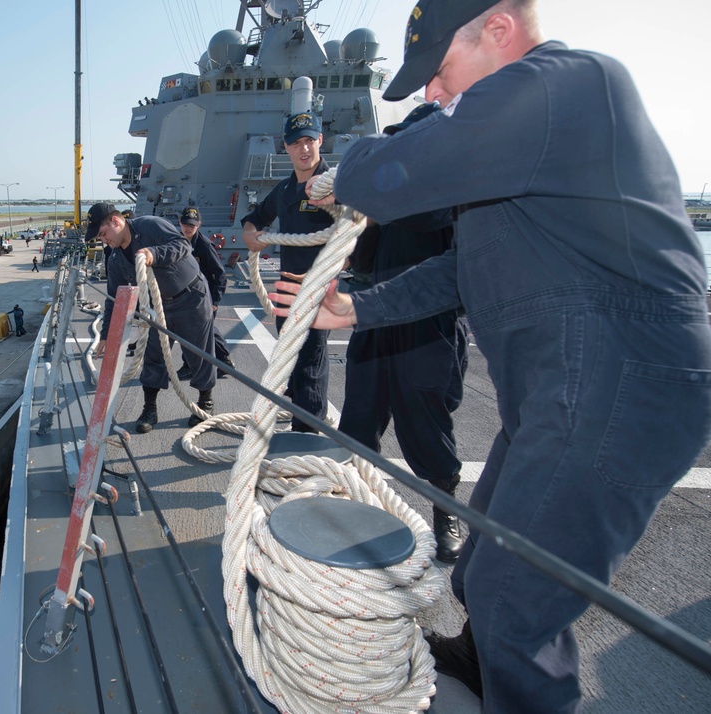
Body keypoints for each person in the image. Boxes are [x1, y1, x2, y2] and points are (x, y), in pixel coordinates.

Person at [270, 1, 711, 710]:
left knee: (517, 598)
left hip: (616, 386)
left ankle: (515, 679)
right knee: (483, 564)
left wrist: (340, 172)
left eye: (438, 73)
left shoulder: (567, 84)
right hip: (561, 388)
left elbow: (399, 172)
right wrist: (357, 307)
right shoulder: (520, 151)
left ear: (499, 29)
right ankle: (480, 663)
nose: (433, 94)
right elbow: (462, 268)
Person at [338, 103, 469, 564]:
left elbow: (430, 222)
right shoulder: (387, 203)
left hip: (425, 325)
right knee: (358, 417)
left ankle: (446, 509)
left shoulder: (451, 194)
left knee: (425, 423)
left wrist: (381, 200)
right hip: (375, 317)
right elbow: (368, 262)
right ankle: (354, 500)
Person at [242, 110, 333, 432]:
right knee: (289, 355)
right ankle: (299, 407)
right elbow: (254, 218)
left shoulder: (332, 186)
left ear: (320, 140)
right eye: (296, 143)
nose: (304, 149)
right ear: (286, 147)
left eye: (309, 140)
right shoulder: (283, 192)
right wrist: (252, 235)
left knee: (310, 361)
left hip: (319, 289)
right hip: (286, 289)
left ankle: (307, 434)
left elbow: (357, 230)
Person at [89, 201, 216, 433]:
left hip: (191, 299)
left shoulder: (151, 226)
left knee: (199, 352)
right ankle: (150, 408)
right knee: (153, 356)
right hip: (157, 310)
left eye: (103, 234)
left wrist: (153, 253)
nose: (103, 240)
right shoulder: (116, 260)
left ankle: (205, 400)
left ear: (116, 222)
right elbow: (113, 299)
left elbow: (182, 245)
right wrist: (106, 335)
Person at [176, 207, 235, 380]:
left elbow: (220, 275)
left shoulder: (204, 246)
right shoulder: (177, 241)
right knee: (194, 330)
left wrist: (215, 301)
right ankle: (223, 363)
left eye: (192, 226)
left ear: (199, 225)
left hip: (204, 296)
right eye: (186, 224)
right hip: (185, 294)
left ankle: (211, 363)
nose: (188, 228)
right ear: (180, 222)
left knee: (202, 330)